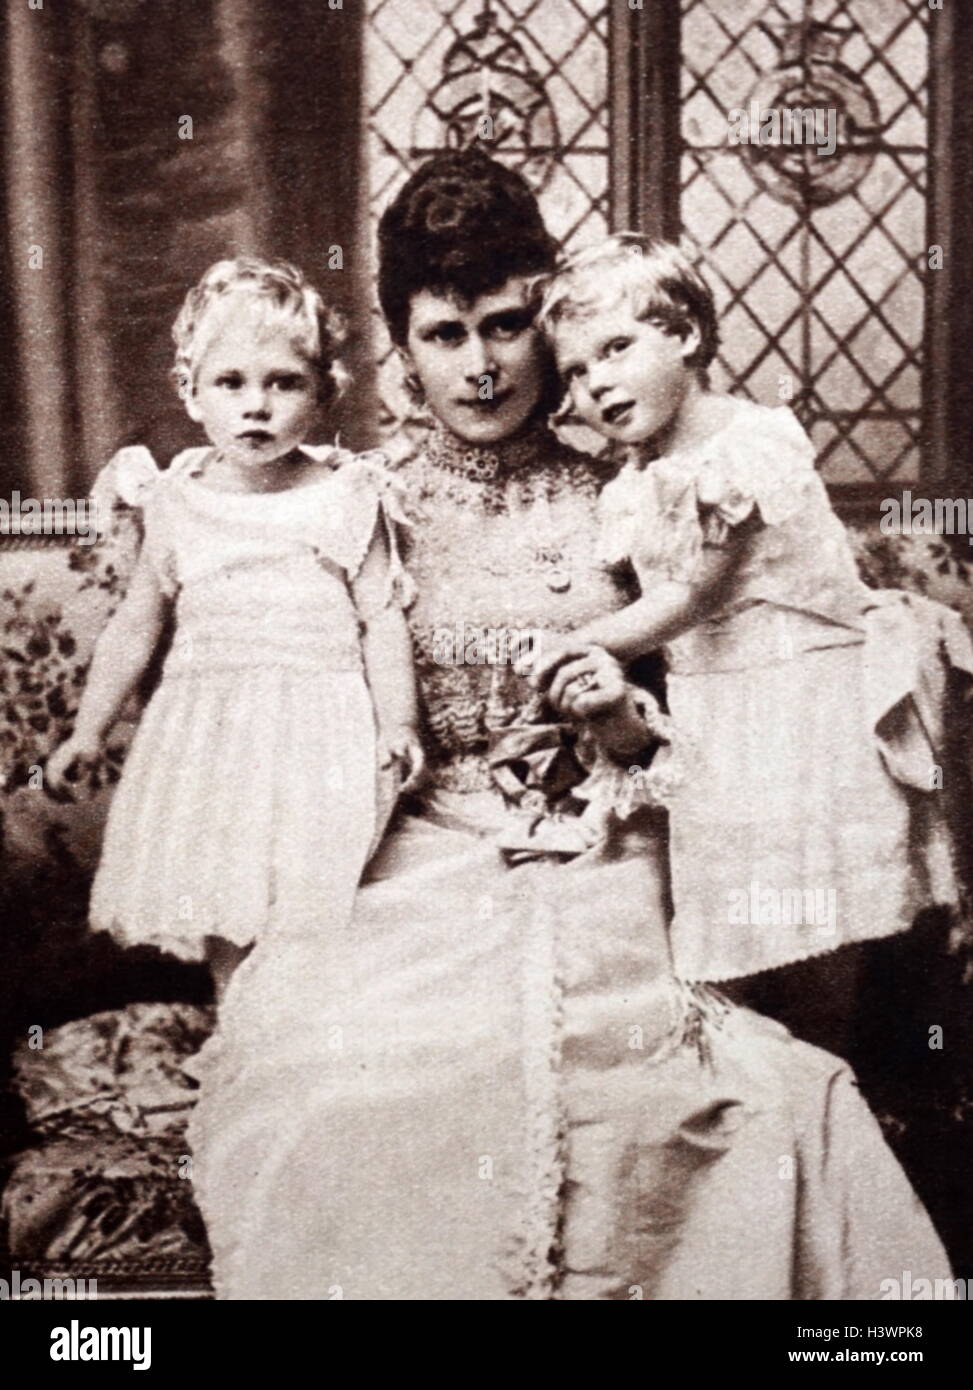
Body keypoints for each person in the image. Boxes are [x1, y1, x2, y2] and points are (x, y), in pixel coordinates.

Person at [185, 152, 949, 1300]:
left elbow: (723, 713)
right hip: (411, 855)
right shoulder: (353, 503)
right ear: (399, 344)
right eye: (445, 335)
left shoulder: (638, 492)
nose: (483, 367)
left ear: (549, 321)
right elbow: (258, 717)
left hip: (614, 845)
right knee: (342, 1088)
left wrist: (623, 729)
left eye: (506, 325)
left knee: (709, 1096)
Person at [533, 235, 973, 995]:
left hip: (802, 709)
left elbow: (690, 597)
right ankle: (776, 1095)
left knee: (821, 924)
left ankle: (843, 1091)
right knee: (742, 943)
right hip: (718, 716)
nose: (597, 383)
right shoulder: (633, 484)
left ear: (686, 336)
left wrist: (572, 641)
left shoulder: (747, 446)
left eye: (616, 349)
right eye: (576, 369)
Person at [46, 256, 421, 993]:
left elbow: (381, 616)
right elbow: (136, 621)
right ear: (191, 393)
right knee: (222, 883)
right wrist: (89, 730)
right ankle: (236, 1040)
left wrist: (397, 724)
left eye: (283, 383)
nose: (257, 405)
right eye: (232, 383)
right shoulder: (177, 496)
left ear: (322, 394)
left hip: (319, 724)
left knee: (305, 897)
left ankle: (290, 1049)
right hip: (208, 727)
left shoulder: (347, 493)